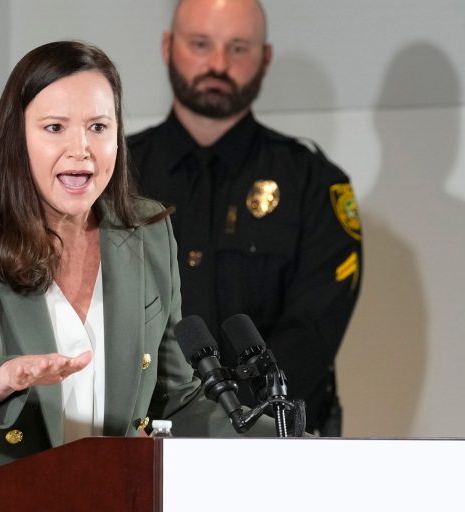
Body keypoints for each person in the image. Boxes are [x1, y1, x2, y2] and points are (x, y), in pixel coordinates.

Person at [0, 41, 273, 512]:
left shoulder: (147, 234)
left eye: (98, 127)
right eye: (54, 128)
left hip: (88, 497)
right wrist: (1, 377)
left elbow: (175, 398)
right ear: (16, 137)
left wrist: (290, 441)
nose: (79, 150)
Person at [127, 0, 362, 436]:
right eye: (200, 44)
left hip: (276, 446)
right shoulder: (116, 175)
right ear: (167, 46)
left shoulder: (314, 183)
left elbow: (312, 332)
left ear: (264, 58)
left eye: (238, 48)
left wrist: (224, 425)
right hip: (144, 443)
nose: (218, 63)